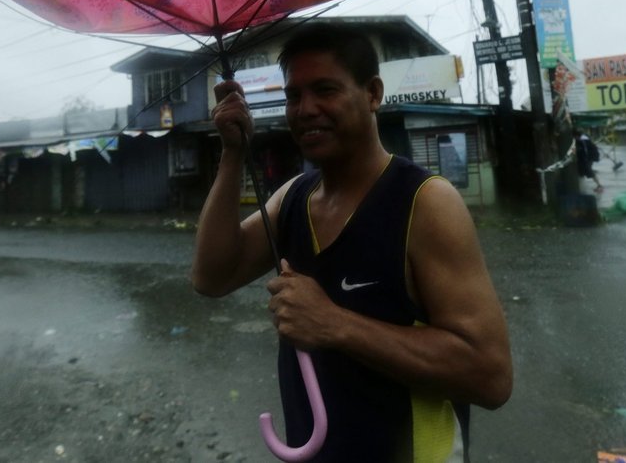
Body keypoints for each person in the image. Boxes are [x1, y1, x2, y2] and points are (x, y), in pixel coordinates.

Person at [192, 23, 512, 462]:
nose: (305, 109)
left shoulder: (425, 203)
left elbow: (490, 376)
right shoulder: (293, 198)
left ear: (373, 93)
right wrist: (232, 153)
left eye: (325, 89)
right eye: (293, 96)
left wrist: (335, 324)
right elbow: (212, 276)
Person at [573, 128, 604, 193]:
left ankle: (599, 185)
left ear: (576, 136)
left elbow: (585, 151)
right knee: (584, 171)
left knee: (588, 171)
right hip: (590, 157)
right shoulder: (584, 138)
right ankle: (598, 185)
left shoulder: (583, 141)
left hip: (589, 157)